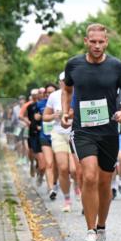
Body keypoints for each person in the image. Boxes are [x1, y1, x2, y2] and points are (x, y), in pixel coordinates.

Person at [61, 23, 121, 241]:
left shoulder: (116, 66)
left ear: (106, 42)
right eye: (92, 41)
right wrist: (66, 111)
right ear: (86, 41)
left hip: (109, 131)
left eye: (101, 42)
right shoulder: (74, 64)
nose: (96, 45)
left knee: (105, 182)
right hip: (83, 130)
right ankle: (90, 232)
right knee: (89, 176)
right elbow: (67, 89)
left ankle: (102, 226)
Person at [44, 73, 77, 212]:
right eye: (63, 81)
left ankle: (77, 187)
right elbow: (45, 117)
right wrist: (54, 115)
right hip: (58, 133)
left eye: (68, 80)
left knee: (74, 170)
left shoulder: (79, 93)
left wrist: (71, 115)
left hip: (74, 133)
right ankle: (67, 199)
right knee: (63, 168)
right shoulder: (53, 96)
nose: (65, 82)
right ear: (59, 82)